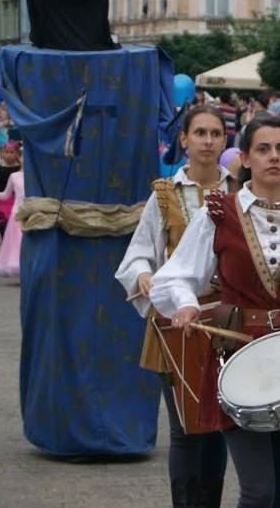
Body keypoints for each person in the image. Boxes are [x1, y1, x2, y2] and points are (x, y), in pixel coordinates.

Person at [150, 113, 280, 508]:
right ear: (244, 158)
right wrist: (187, 305)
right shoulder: (219, 213)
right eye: (263, 149)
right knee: (258, 491)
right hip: (238, 358)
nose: (273, 157)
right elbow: (174, 277)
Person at [115, 105, 234, 508]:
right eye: (200, 132)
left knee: (219, 424)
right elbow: (137, 254)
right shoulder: (164, 194)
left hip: (224, 321)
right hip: (175, 324)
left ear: (225, 140)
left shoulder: (238, 192)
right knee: (185, 427)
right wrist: (144, 276)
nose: (208, 140)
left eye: (215, 133)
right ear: (184, 139)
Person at [0, 146, 26, 277]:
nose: (25, 159)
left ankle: (27, 269)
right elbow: (5, 194)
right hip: (17, 214)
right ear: (19, 158)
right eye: (23, 156)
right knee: (17, 242)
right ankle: (19, 267)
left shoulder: (37, 177)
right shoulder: (14, 176)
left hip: (31, 213)